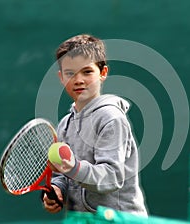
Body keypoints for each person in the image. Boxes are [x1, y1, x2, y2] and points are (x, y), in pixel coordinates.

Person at [42, 34, 148, 216]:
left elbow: (111, 177)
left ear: (103, 73)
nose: (78, 80)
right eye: (70, 73)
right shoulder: (65, 125)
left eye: (87, 72)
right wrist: (58, 189)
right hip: (83, 219)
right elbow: (64, 176)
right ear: (61, 77)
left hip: (120, 220)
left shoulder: (112, 118)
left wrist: (74, 168)